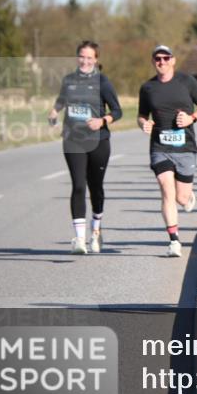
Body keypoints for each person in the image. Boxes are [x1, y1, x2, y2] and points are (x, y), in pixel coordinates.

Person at [48, 40, 122, 254]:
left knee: (95, 188)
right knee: (78, 185)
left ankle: (96, 230)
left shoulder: (103, 82)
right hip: (73, 139)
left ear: (96, 60)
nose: (85, 61)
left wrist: (102, 120)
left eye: (90, 57)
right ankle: (79, 239)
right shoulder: (69, 80)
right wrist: (54, 112)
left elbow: (117, 111)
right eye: (82, 56)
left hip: (99, 141)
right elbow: (61, 101)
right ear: (77, 57)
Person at [137, 45, 197, 257]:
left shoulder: (186, 81)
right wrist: (143, 124)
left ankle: (187, 197)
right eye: (157, 58)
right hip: (160, 146)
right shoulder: (147, 87)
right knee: (165, 189)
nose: (162, 62)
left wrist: (191, 118)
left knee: (181, 198)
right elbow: (141, 115)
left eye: (165, 58)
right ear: (153, 61)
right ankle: (174, 240)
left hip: (185, 146)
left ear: (173, 60)